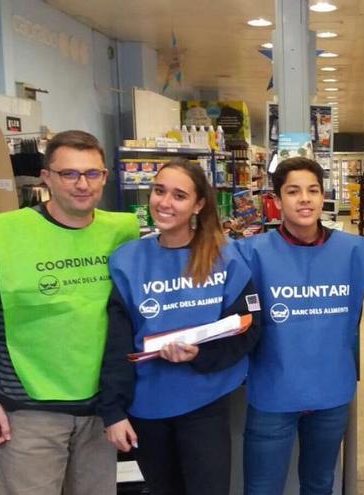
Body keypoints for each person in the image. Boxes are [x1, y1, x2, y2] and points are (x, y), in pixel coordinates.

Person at [0, 130, 138, 495]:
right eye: (69, 174)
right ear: (46, 178)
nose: (83, 184)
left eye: (92, 173)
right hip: (29, 412)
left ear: (105, 176)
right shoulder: (5, 236)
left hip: (101, 410)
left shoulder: (123, 232)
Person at [99, 159, 261, 495]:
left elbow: (249, 327)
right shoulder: (128, 261)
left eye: (179, 195)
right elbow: (116, 343)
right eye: (159, 191)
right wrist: (113, 411)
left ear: (198, 205)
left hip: (205, 403)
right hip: (146, 406)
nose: (165, 202)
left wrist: (199, 354)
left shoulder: (225, 258)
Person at [237, 157, 364, 495]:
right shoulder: (250, 253)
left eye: (313, 190)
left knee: (320, 483)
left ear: (323, 195)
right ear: (277, 200)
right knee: (262, 486)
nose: (305, 199)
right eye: (293, 191)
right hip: (272, 391)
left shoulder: (354, 251)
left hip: (331, 392)